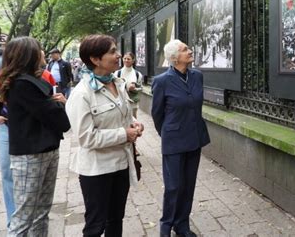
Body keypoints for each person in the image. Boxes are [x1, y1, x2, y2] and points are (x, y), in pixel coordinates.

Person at [66, 34, 144, 237]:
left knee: (116, 219)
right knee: (96, 225)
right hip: (97, 170)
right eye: (112, 52)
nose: (118, 55)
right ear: (95, 59)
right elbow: (86, 138)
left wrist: (135, 125)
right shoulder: (82, 93)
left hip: (121, 164)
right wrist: (124, 134)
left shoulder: (117, 83)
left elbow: (124, 116)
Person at [0, 36, 70, 236]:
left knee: (41, 212)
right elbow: (60, 120)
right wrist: (59, 104)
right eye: (38, 49)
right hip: (30, 156)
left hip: (45, 150)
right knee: (25, 217)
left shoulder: (32, 80)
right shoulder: (23, 84)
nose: (43, 54)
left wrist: (55, 105)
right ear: (27, 55)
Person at [152, 39, 210, 237]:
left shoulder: (197, 76)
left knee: (188, 184)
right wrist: (168, 133)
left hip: (195, 138)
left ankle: (182, 225)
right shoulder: (162, 81)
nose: (190, 51)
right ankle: (166, 225)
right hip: (174, 141)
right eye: (185, 49)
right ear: (175, 58)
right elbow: (157, 114)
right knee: (174, 186)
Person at [0, 61, 15, 228]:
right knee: (8, 175)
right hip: (6, 129)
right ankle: (12, 219)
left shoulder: (37, 77)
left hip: (28, 132)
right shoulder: (0, 78)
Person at [115, 52, 143, 118]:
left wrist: (134, 89)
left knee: (133, 121)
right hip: (121, 102)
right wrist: (126, 87)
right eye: (125, 58)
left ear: (133, 60)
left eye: (128, 59)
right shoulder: (117, 73)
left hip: (133, 102)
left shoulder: (137, 74)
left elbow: (141, 88)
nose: (126, 60)